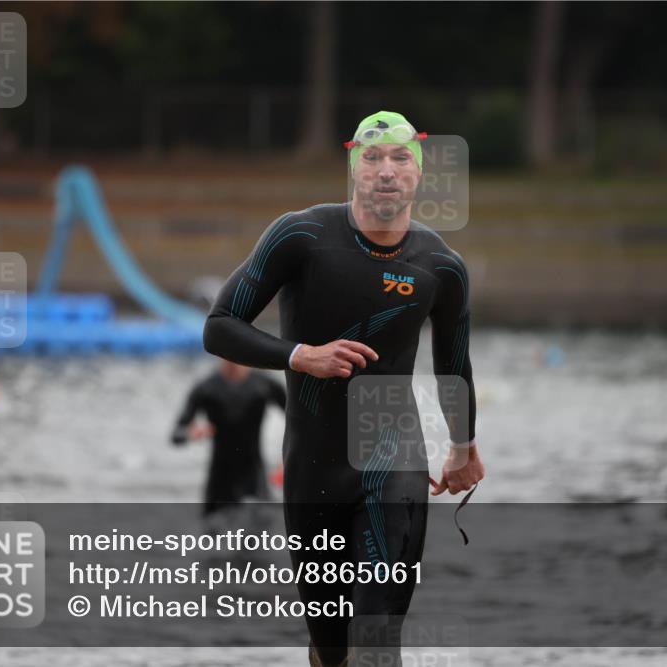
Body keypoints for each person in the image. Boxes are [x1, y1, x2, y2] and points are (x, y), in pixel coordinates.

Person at [203, 110, 485, 666]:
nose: (386, 170)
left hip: (395, 461)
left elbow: (453, 364)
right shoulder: (301, 236)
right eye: (372, 158)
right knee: (331, 649)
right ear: (353, 168)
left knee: (376, 641)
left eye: (400, 158)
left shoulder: (441, 267)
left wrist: (463, 446)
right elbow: (219, 327)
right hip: (313, 468)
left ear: (419, 173)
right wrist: (301, 356)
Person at [171, 359, 286, 515]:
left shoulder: (264, 385)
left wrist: (287, 461)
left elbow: (297, 421)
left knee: (260, 523)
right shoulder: (206, 388)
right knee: (215, 526)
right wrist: (190, 434)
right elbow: (176, 434)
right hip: (219, 479)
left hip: (254, 476)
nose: (232, 361)